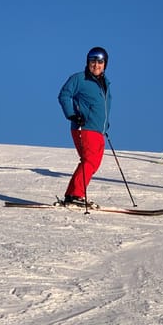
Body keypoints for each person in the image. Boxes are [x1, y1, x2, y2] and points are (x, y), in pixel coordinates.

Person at [58, 47, 111, 206]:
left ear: (105, 64)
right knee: (89, 161)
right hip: (84, 126)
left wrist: (105, 124)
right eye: (93, 61)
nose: (96, 65)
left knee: (92, 163)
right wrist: (72, 114)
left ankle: (72, 194)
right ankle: (75, 195)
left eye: (100, 62)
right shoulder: (79, 79)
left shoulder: (105, 83)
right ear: (87, 62)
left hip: (99, 130)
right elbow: (64, 95)